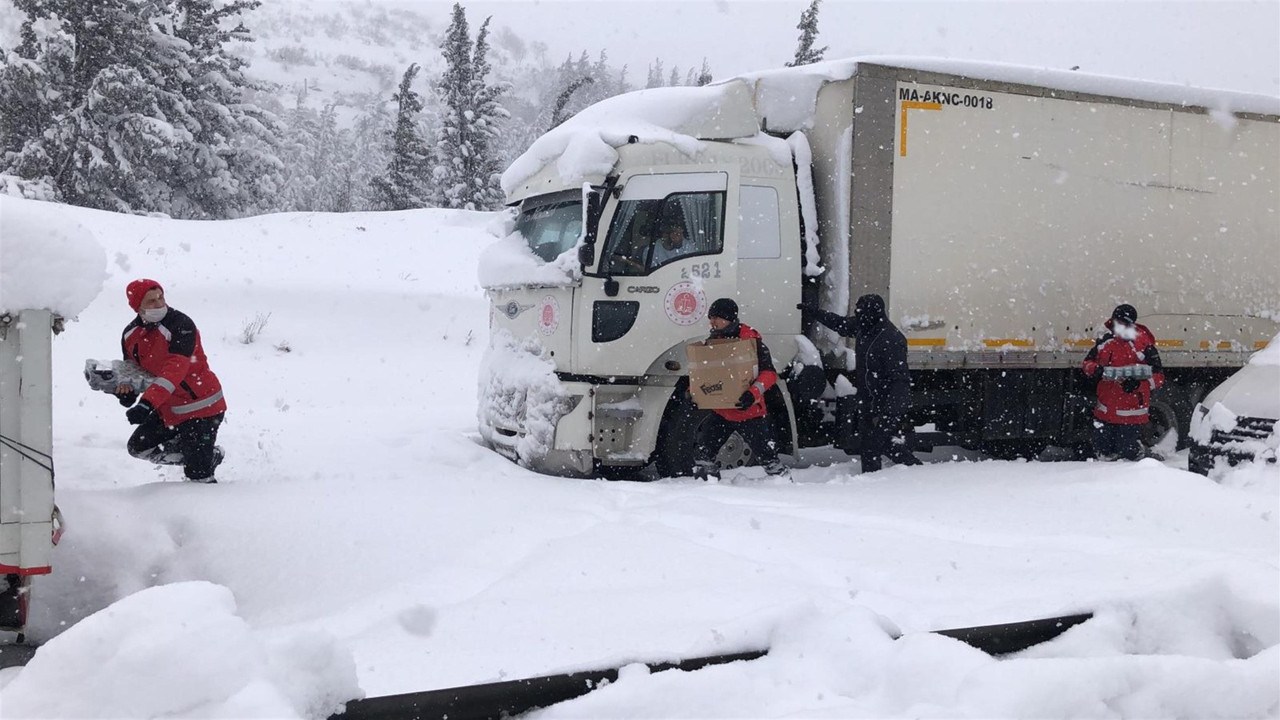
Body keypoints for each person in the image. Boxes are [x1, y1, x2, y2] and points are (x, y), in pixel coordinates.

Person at [117, 279, 227, 483]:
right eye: (150, 301)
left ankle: (202, 466)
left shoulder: (181, 325)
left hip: (202, 408)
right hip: (167, 408)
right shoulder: (131, 335)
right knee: (138, 448)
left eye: (161, 297)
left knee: (198, 477)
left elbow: (174, 371)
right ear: (137, 307)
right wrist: (126, 393)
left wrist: (146, 403)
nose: (159, 304)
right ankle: (205, 455)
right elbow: (134, 373)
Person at [798, 294, 922, 472]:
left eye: (861, 312)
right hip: (868, 398)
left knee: (872, 445)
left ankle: (879, 480)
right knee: (880, 443)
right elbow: (841, 324)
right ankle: (909, 471)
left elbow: (899, 380)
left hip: (883, 401)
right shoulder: (865, 326)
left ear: (873, 313)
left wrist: (890, 412)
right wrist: (815, 313)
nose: (858, 316)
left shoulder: (891, 338)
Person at [691, 298, 787, 479]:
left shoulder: (752, 342)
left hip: (750, 413)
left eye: (716, 318)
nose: (712, 322)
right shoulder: (713, 340)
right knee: (703, 453)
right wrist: (694, 392)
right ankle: (705, 487)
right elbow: (706, 373)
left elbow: (769, 374)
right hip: (722, 411)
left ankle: (783, 485)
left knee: (768, 459)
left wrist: (753, 394)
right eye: (711, 318)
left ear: (728, 318)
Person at [1081, 303, 1164, 460]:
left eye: (1122, 323)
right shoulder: (1105, 343)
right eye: (1115, 322)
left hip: (1131, 413)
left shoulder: (1144, 345)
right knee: (1103, 453)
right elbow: (1086, 364)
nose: (1117, 326)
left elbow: (1159, 376)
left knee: (1127, 454)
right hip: (1105, 411)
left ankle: (1144, 459)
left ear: (1130, 324)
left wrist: (1139, 384)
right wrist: (1096, 370)